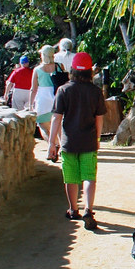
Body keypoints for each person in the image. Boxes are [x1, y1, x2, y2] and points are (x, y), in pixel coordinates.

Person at [47, 51, 106, 231]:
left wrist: (51, 143)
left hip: (68, 141)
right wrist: (97, 138)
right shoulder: (95, 92)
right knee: (89, 176)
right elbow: (99, 119)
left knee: (71, 177)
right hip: (88, 140)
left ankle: (73, 209)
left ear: (72, 70)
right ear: (90, 72)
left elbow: (56, 118)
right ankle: (88, 208)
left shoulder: (63, 90)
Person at [30, 45, 59, 140]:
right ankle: (58, 147)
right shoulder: (58, 66)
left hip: (43, 99)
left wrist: (31, 105)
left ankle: (53, 145)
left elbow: (34, 89)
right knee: (58, 126)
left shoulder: (37, 69)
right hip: (56, 96)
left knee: (43, 126)